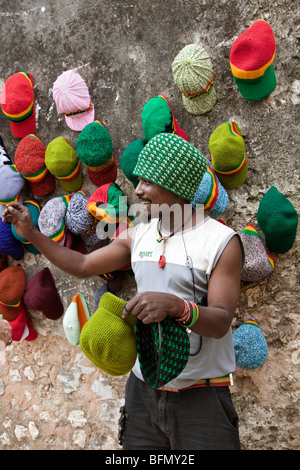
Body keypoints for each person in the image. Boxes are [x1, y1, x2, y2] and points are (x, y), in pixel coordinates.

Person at [2, 133, 243, 450]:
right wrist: (32, 233)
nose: (138, 190)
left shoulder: (221, 242)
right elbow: (84, 263)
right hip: (142, 390)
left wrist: (176, 306)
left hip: (201, 396)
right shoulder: (140, 233)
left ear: (176, 185)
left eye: (148, 181)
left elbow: (222, 320)